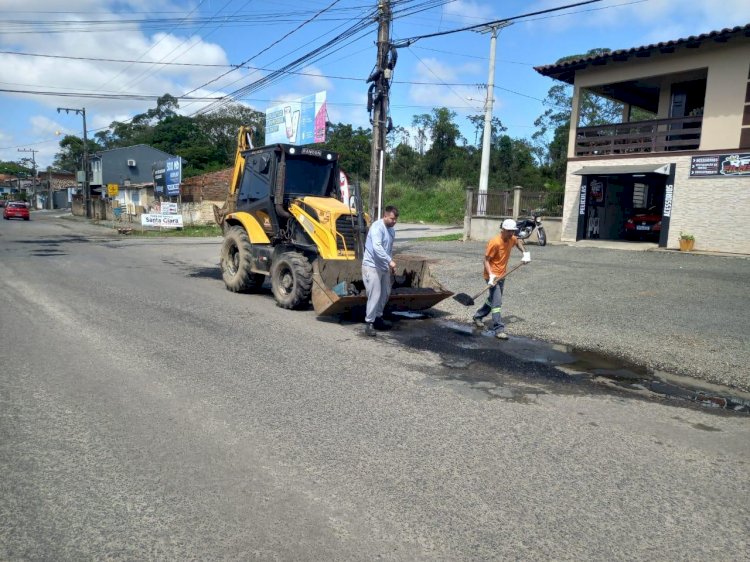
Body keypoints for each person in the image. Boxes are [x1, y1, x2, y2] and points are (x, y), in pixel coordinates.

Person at [472, 218, 531, 340]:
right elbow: (486, 260)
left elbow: (518, 241)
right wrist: (491, 276)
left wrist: (525, 254)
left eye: (513, 231)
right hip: (491, 276)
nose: (511, 233)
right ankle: (498, 329)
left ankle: (478, 316)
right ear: (503, 230)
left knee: (492, 299)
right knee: (497, 303)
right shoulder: (495, 242)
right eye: (509, 231)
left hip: (502, 275)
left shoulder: (511, 238)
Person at [362, 205, 399, 336]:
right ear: (385, 216)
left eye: (396, 219)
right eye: (392, 219)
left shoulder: (391, 231)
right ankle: (369, 323)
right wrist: (390, 261)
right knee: (375, 294)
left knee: (385, 293)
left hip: (383, 267)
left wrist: (390, 265)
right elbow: (377, 248)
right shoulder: (377, 228)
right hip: (371, 266)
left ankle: (378, 318)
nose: (394, 221)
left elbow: (388, 249)